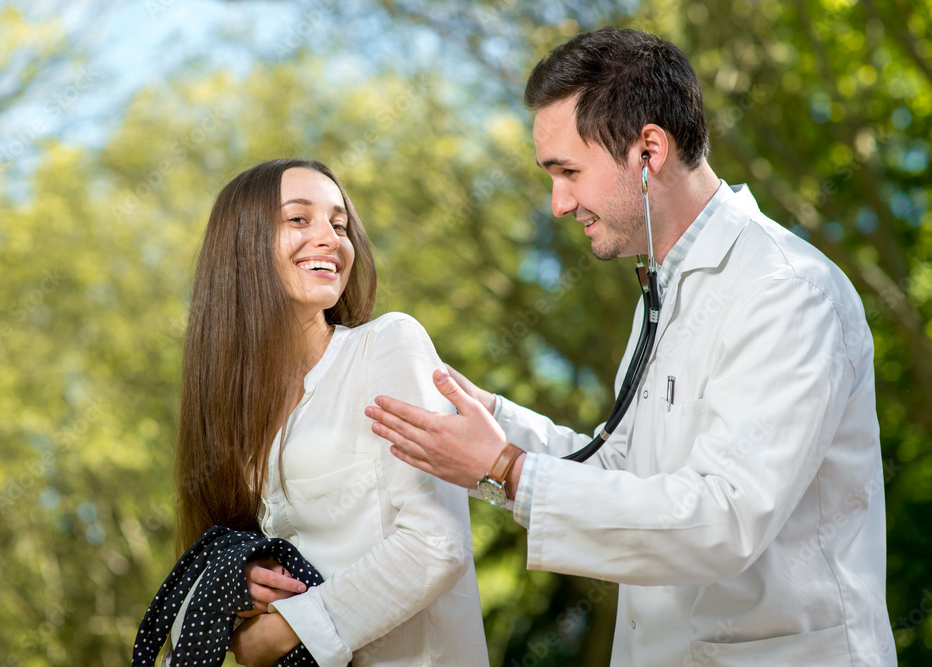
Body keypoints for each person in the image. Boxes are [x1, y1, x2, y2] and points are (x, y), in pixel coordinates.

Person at [366, 27, 896, 666]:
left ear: (649, 150)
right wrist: (493, 423)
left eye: (568, 173)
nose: (559, 204)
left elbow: (725, 518)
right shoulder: (665, 291)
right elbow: (622, 474)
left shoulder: (787, 291)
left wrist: (505, 469)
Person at [172, 158, 489, 666]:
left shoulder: (388, 345)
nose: (330, 238)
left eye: (339, 225)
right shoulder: (233, 416)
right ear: (241, 248)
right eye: (299, 219)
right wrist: (243, 588)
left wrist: (281, 632)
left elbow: (437, 544)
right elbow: (207, 569)